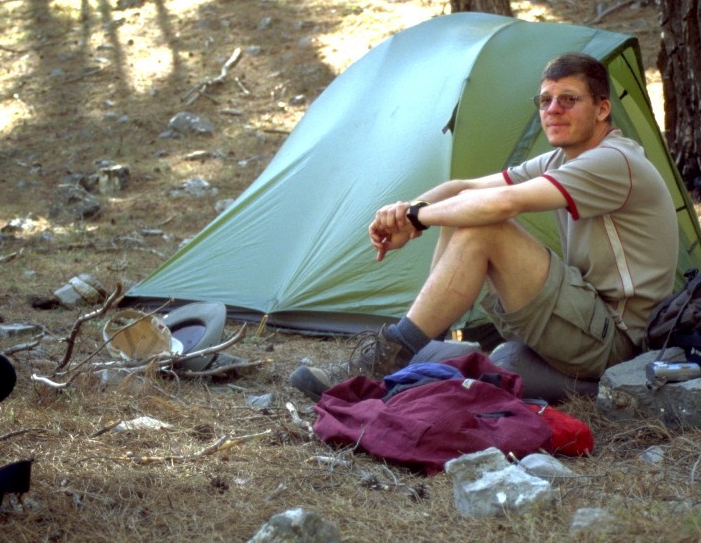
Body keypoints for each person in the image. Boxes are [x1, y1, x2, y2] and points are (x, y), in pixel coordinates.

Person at [289, 52, 678, 402]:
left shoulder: (613, 161)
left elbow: (504, 202)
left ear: (602, 109)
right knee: (462, 210)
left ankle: (386, 360)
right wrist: (408, 208)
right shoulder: (561, 159)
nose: (553, 109)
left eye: (569, 99)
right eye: (545, 100)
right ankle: (418, 353)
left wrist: (416, 219)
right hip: (586, 320)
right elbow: (463, 188)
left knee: (484, 225)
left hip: (617, 341)